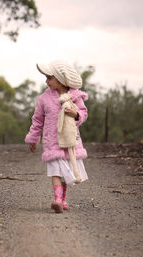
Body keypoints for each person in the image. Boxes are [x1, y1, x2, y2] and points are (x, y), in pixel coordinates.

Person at [25, 60, 89, 213]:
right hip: (52, 142)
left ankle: (63, 199)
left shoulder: (75, 96)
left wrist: (76, 114)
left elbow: (84, 113)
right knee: (55, 171)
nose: (46, 81)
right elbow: (38, 120)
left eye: (49, 78)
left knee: (66, 172)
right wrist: (33, 138)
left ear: (61, 79)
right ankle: (57, 200)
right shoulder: (44, 99)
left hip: (69, 141)